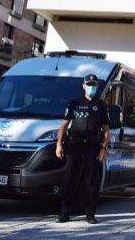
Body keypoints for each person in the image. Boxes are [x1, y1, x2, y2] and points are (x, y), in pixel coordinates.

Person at [55, 74, 110, 224]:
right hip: (75, 146)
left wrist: (104, 148)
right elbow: (64, 125)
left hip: (92, 146)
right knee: (69, 179)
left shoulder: (101, 105)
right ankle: (64, 213)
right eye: (89, 84)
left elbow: (106, 130)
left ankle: (90, 214)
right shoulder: (75, 103)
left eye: (94, 84)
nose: (92, 87)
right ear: (83, 85)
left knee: (91, 181)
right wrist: (59, 144)